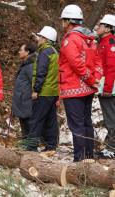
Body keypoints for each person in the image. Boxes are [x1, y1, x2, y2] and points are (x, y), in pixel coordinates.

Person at [59, 5, 102, 162]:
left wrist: (90, 79)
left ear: (69, 21)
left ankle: (79, 159)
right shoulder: (90, 40)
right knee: (86, 122)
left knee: (76, 125)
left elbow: (76, 63)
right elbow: (98, 62)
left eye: (63, 21)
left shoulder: (71, 39)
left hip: (73, 87)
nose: (62, 24)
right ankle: (89, 157)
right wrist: (95, 79)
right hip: (88, 89)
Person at [26, 26, 59, 152]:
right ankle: (51, 146)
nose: (38, 39)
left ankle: (32, 146)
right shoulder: (54, 52)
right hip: (53, 92)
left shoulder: (44, 53)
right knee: (51, 120)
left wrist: (36, 90)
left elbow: (41, 72)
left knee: (36, 119)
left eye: (40, 37)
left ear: (45, 39)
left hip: (44, 91)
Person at [95, 14, 115, 158]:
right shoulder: (103, 42)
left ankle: (112, 149)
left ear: (108, 28)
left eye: (101, 25)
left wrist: (107, 88)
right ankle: (110, 146)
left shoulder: (110, 43)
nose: (98, 27)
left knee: (111, 119)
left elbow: (111, 67)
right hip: (105, 87)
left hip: (110, 89)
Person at [12, 42, 37, 141]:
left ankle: (30, 145)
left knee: (28, 123)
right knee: (24, 123)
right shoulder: (26, 65)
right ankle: (26, 144)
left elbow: (34, 82)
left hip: (27, 100)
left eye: (21, 50)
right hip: (22, 99)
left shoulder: (30, 66)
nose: (19, 52)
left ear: (27, 52)